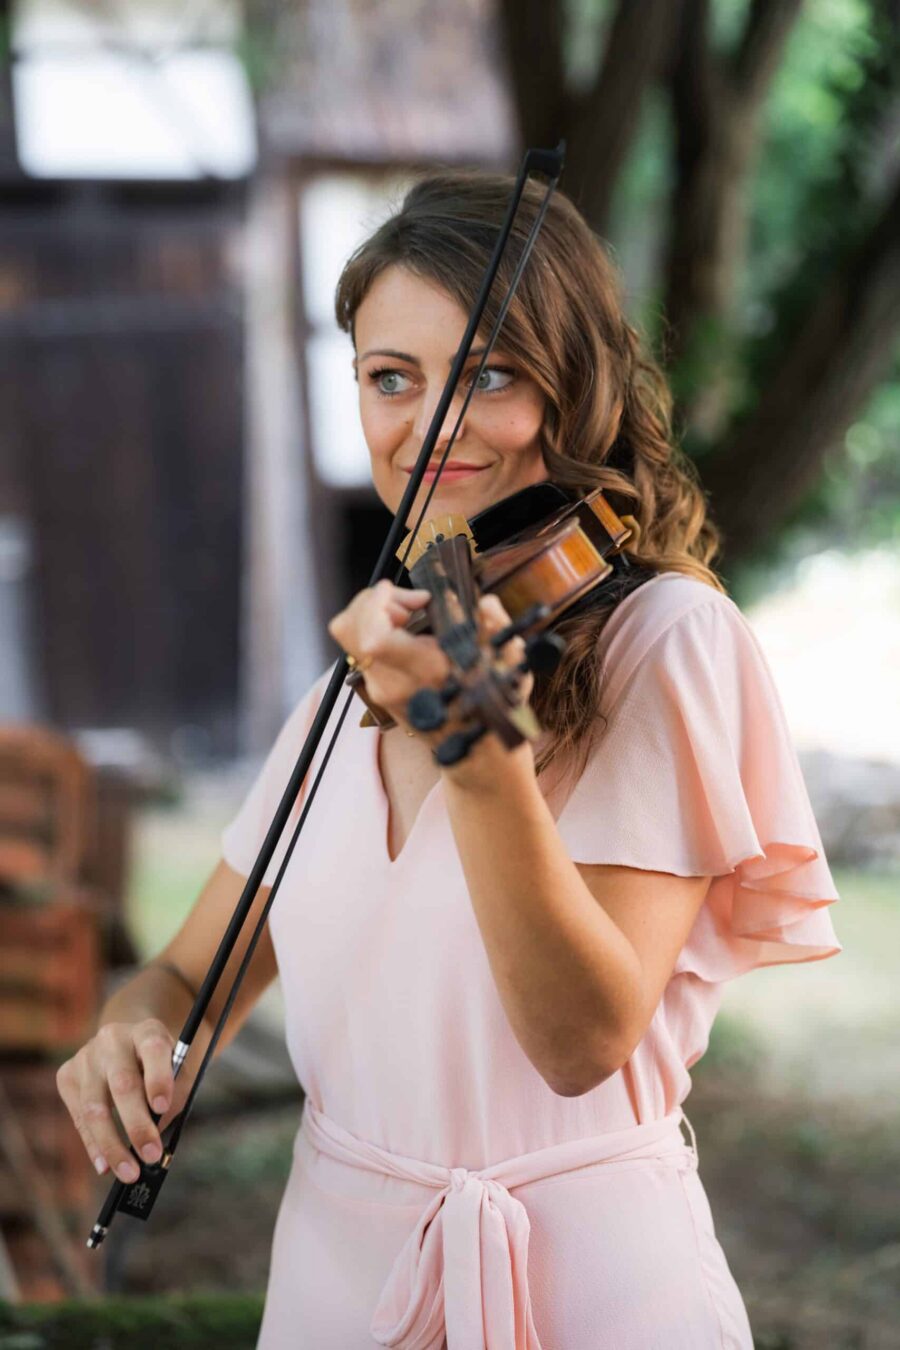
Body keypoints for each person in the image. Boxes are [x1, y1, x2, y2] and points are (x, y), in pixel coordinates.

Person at [57, 171, 842, 1348]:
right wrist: (130, 1030)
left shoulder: (666, 640)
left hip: (587, 1290)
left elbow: (583, 1040)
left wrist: (482, 763)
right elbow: (185, 982)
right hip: (338, 1279)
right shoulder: (351, 686)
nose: (429, 428)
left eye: (486, 374)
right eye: (391, 379)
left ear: (570, 386)